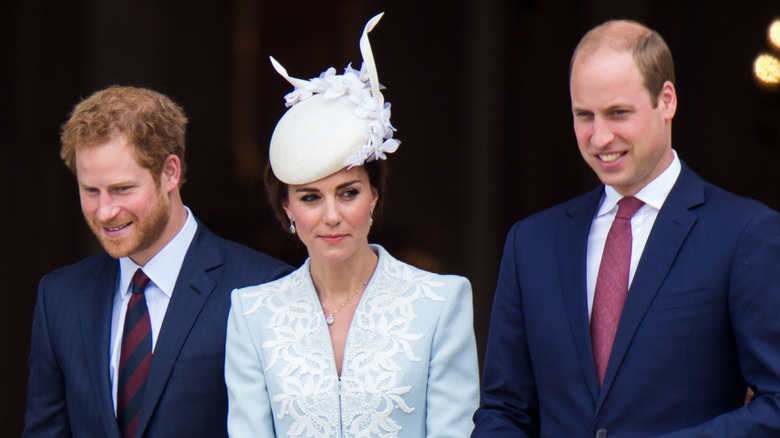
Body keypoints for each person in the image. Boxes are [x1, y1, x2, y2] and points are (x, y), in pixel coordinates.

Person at [472, 19, 780, 437]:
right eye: (584, 115)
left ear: (666, 100)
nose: (600, 137)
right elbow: (503, 411)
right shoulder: (531, 243)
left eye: (618, 113)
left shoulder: (746, 233)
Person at [224, 13, 480, 437]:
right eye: (310, 197)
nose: (331, 215)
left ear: (374, 197)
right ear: (287, 208)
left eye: (348, 193)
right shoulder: (253, 314)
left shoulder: (440, 302)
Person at [23, 85, 292, 438]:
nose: (105, 211)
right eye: (91, 191)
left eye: (122, 189)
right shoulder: (58, 297)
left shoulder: (262, 286)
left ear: (170, 173)